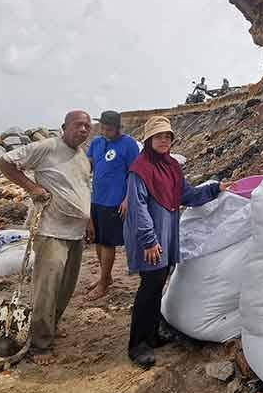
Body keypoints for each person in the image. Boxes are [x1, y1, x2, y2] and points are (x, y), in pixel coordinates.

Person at [124, 115, 229, 368]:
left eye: (167, 136)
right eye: (158, 136)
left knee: (158, 282)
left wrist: (216, 188)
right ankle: (138, 345)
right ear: (148, 140)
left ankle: (152, 334)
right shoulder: (140, 169)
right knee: (149, 287)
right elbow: (138, 208)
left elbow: (187, 195)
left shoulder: (171, 166)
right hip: (149, 237)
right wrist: (149, 240)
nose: (164, 140)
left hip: (167, 232)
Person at [0, 110, 93, 364]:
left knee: (66, 286)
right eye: (78, 125)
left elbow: (82, 190)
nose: (83, 129)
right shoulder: (48, 147)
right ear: (64, 127)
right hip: (51, 230)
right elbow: (5, 162)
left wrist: (89, 220)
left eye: (86, 126)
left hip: (75, 232)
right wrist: (31, 187)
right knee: (47, 287)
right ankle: (39, 344)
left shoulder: (82, 156)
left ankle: (51, 328)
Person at [84, 110, 139, 300]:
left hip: (114, 201)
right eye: (103, 128)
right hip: (96, 198)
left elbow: (135, 174)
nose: (106, 132)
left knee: (108, 243)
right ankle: (104, 277)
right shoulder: (97, 142)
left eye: (110, 129)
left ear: (118, 128)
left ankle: (104, 282)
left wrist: (127, 199)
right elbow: (88, 165)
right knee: (98, 241)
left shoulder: (129, 144)